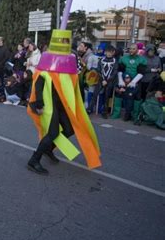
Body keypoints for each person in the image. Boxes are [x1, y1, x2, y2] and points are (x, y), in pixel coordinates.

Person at [27, 29, 101, 175]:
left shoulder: (68, 64)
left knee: (69, 129)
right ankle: (34, 159)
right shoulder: (46, 67)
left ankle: (48, 149)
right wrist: (40, 104)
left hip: (61, 105)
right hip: (49, 105)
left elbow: (74, 85)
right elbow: (39, 86)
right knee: (53, 132)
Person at [111, 43, 147, 121]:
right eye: (130, 48)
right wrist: (120, 80)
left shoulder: (142, 59)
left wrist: (134, 82)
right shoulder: (123, 58)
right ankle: (116, 113)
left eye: (133, 49)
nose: (131, 50)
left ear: (137, 50)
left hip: (136, 82)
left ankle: (135, 115)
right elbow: (120, 70)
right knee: (118, 96)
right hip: (124, 80)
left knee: (136, 98)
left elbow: (141, 72)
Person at [87, 45, 118, 118]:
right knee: (95, 94)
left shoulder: (115, 61)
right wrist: (103, 79)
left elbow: (114, 72)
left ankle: (105, 111)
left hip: (110, 81)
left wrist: (107, 80)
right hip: (101, 80)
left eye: (110, 52)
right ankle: (89, 109)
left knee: (106, 96)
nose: (109, 54)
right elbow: (99, 70)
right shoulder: (101, 60)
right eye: (107, 52)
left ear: (113, 52)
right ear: (105, 52)